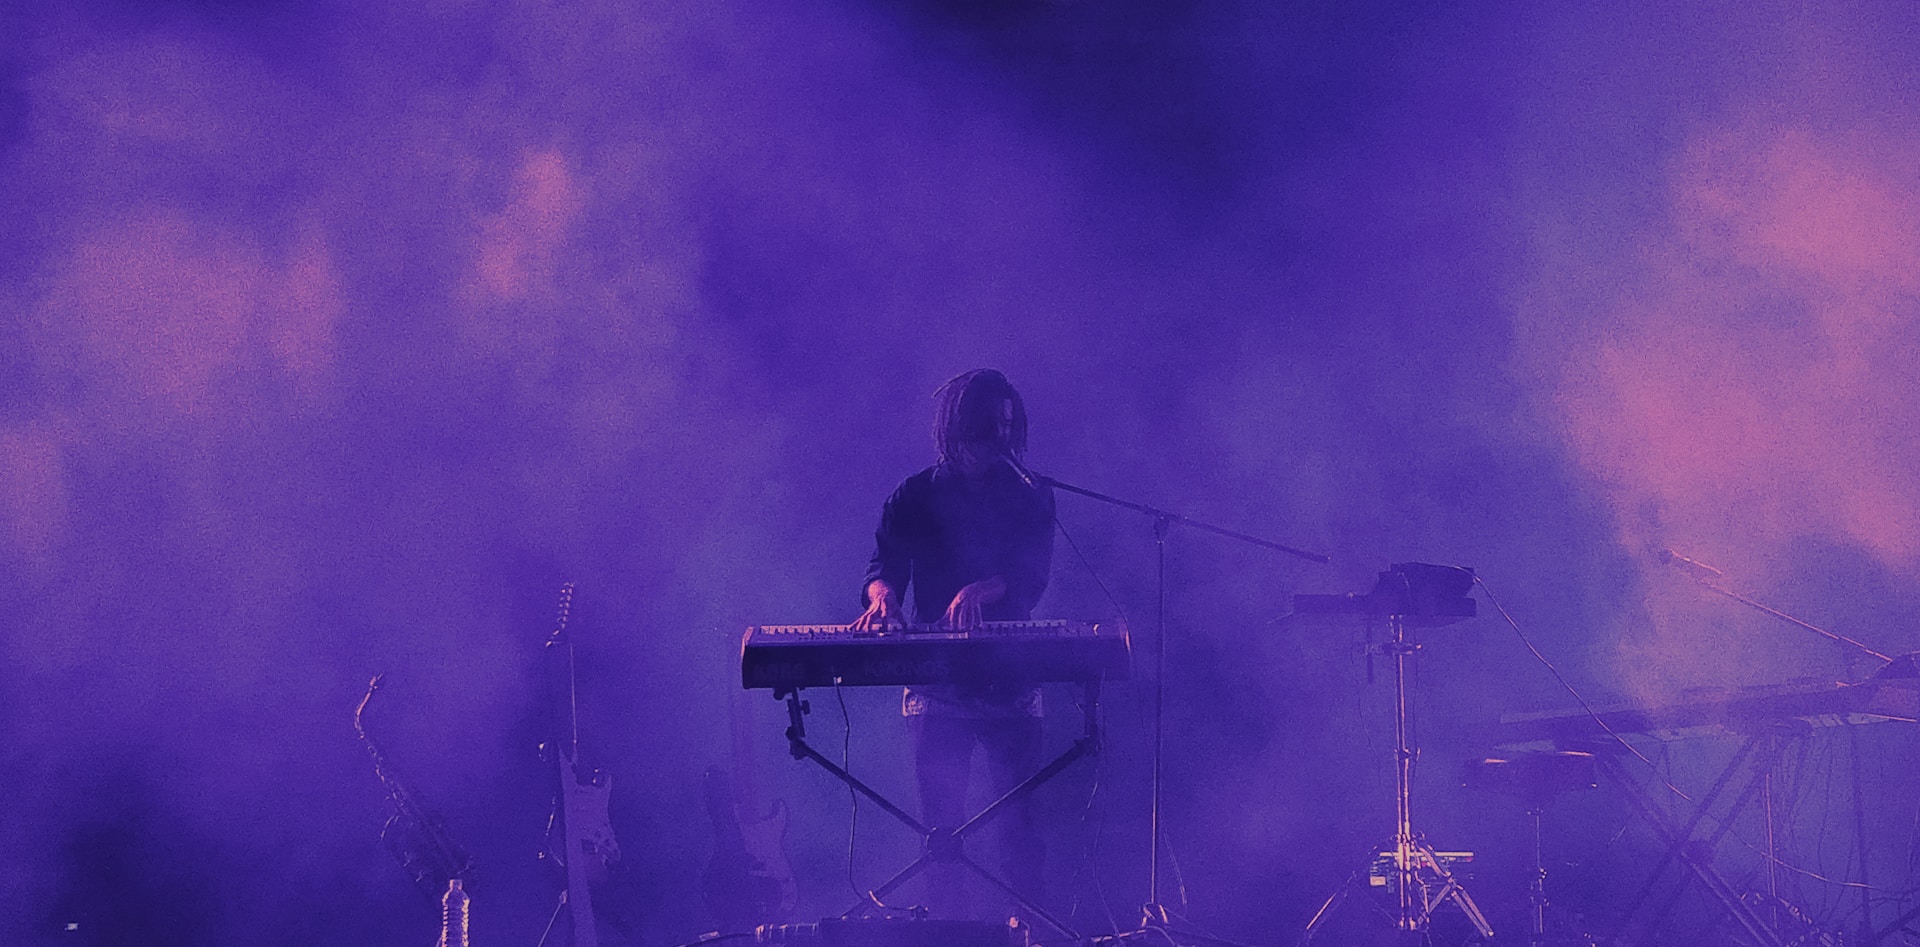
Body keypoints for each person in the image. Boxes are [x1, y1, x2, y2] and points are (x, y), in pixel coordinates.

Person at [852, 368, 1056, 920]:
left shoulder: (1030, 495)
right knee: (941, 837)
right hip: (937, 685)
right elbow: (883, 568)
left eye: (1007, 426)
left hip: (1010, 682)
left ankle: (1030, 932)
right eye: (988, 426)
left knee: (1021, 835)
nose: (999, 438)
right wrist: (881, 598)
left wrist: (984, 589)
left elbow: (1032, 574)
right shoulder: (915, 496)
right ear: (957, 426)